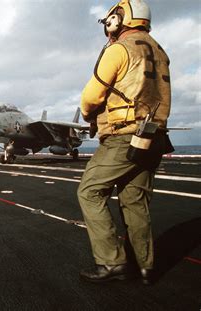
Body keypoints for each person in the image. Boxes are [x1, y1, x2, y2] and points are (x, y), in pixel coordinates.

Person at [77, 0, 172, 285]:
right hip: (154, 138)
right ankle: (145, 266)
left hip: (123, 136)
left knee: (89, 192)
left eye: (109, 22)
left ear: (117, 20)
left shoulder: (119, 49)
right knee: (134, 201)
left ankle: (111, 262)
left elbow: (90, 97)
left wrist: (87, 114)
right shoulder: (160, 51)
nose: (107, 28)